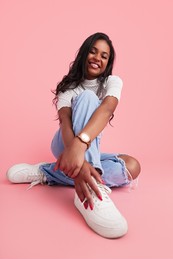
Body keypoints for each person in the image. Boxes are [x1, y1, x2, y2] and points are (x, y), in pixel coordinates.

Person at [6, 32, 141, 239]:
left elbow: (106, 110)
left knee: (131, 166)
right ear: (84, 53)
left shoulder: (113, 82)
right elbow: (66, 125)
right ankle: (88, 190)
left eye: (104, 56)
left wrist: (82, 145)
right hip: (64, 143)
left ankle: (48, 172)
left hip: (84, 148)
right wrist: (76, 148)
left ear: (108, 62)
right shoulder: (69, 88)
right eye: (93, 52)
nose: (97, 58)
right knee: (86, 97)